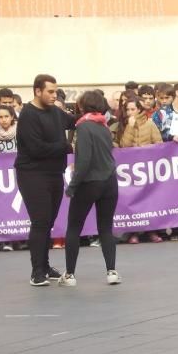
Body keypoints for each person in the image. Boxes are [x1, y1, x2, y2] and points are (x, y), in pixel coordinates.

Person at [14, 74, 74, 286]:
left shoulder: (55, 111)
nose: (53, 95)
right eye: (50, 91)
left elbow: (73, 121)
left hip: (54, 173)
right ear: (37, 91)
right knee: (40, 221)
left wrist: (92, 118)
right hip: (32, 174)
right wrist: (67, 147)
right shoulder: (28, 115)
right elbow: (36, 149)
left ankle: (45, 265)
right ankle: (36, 271)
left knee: (48, 222)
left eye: (55, 91)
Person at [59, 91, 121, 287]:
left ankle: (69, 275)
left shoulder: (84, 127)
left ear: (84, 106)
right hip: (110, 181)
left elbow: (84, 161)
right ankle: (111, 271)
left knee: (74, 227)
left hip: (89, 183)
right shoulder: (104, 127)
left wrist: (72, 186)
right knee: (105, 227)